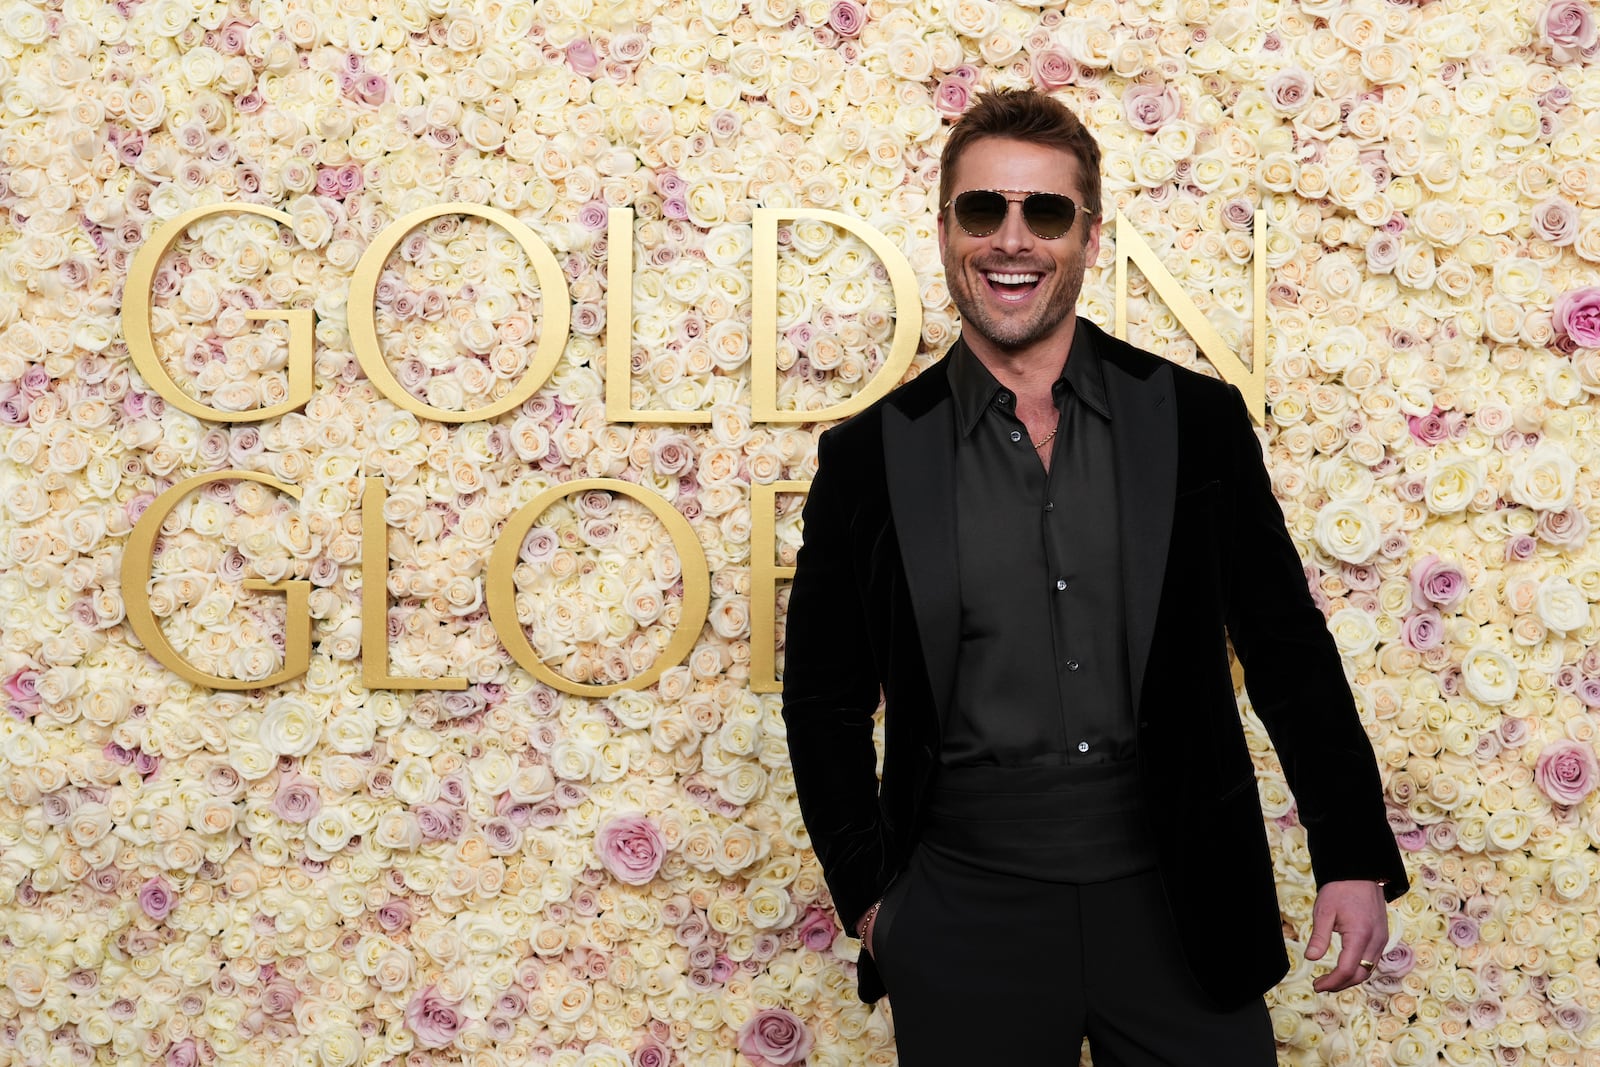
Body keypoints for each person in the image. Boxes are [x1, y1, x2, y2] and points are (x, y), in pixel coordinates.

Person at [781, 89, 1408, 1064]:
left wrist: (1353, 852)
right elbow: (821, 696)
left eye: (1046, 211)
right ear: (946, 228)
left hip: (1178, 900)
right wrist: (872, 897)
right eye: (983, 208)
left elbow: (1283, 644)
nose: (1012, 239)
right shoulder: (868, 456)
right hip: (960, 908)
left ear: (1090, 233)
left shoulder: (1194, 421)